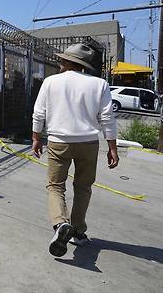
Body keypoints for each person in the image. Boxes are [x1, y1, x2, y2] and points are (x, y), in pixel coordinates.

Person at [31, 43, 119, 257]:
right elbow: (107, 118)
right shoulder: (100, 84)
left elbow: (38, 112)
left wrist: (36, 138)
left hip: (58, 142)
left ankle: (60, 224)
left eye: (63, 59)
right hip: (88, 143)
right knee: (83, 187)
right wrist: (112, 147)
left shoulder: (51, 82)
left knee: (55, 186)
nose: (60, 62)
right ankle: (78, 231)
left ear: (69, 62)